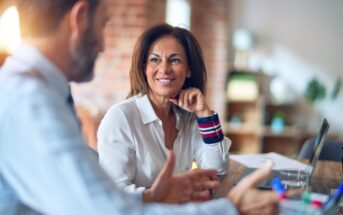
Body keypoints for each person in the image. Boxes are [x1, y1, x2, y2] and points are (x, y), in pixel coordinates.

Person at [0, 0, 279, 214]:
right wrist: (232, 208)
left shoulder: (36, 91)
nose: (102, 44)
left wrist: (153, 195)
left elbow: (96, 197)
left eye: (174, 60)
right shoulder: (32, 101)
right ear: (80, 17)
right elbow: (107, 210)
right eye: (103, 25)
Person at [97, 24, 231, 198]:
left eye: (174, 60)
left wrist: (204, 114)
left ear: (189, 69)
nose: (164, 69)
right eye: (155, 60)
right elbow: (113, 193)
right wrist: (159, 195)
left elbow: (218, 170)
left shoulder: (188, 117)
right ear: (144, 67)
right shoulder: (120, 118)